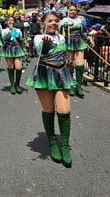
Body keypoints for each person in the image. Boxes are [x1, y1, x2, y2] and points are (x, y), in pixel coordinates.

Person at [26, 12, 75, 168]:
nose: (53, 23)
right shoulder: (38, 38)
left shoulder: (62, 38)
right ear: (43, 24)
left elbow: (66, 54)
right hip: (45, 74)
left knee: (64, 111)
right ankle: (53, 142)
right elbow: (43, 50)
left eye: (55, 21)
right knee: (48, 110)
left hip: (62, 74)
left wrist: (69, 61)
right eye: (49, 21)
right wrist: (46, 45)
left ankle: (65, 146)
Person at [59, 5, 87, 98]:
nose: (73, 11)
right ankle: (70, 85)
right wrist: (66, 26)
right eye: (71, 10)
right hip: (69, 42)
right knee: (70, 63)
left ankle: (79, 86)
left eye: (75, 10)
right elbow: (59, 32)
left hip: (79, 42)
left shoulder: (80, 20)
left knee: (80, 64)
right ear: (68, 11)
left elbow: (83, 32)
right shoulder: (64, 20)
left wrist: (88, 39)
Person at [1, 17, 26, 94]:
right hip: (8, 48)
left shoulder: (18, 30)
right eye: (9, 20)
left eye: (12, 20)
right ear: (7, 22)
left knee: (19, 67)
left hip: (17, 48)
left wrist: (24, 50)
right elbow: (4, 39)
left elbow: (21, 40)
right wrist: (10, 31)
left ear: (14, 22)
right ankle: (12, 85)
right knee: (10, 66)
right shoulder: (4, 30)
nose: (10, 21)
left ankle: (17, 84)